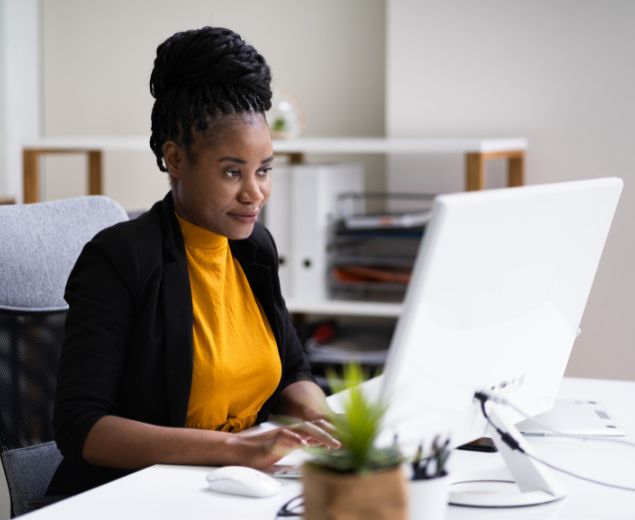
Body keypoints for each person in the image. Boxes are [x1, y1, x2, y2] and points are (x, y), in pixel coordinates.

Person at [47, 26, 339, 497]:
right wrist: (238, 450)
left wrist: (329, 425)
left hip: (230, 487)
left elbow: (293, 371)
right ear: (176, 159)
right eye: (231, 172)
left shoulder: (253, 248)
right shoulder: (119, 259)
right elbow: (82, 428)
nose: (255, 192)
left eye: (263, 170)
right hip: (131, 495)